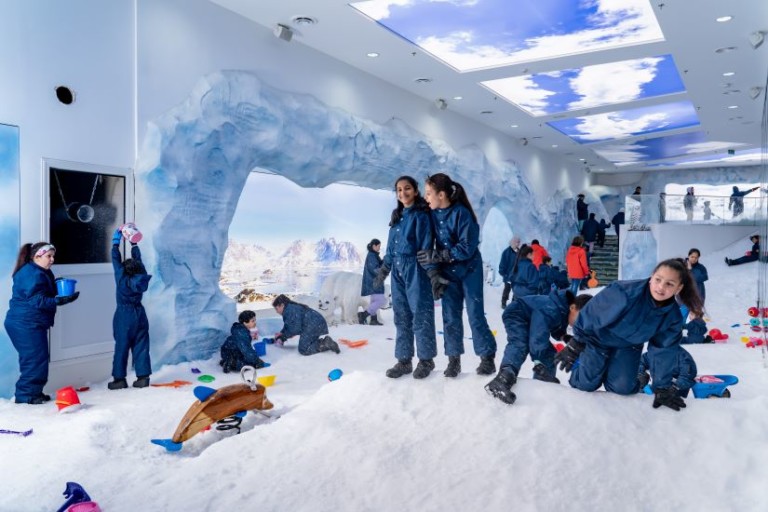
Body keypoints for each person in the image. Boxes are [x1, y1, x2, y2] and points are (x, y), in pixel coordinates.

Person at [555, 258, 704, 411]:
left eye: (669, 284)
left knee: (622, 389)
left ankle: (624, 375)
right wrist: (577, 342)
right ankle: (590, 368)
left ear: (678, 288)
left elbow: (663, 351)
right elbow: (592, 314)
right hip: (597, 340)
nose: (661, 287)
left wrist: (662, 387)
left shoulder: (672, 317)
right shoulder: (624, 292)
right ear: (652, 276)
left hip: (628, 347)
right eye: (658, 279)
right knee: (585, 384)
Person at [418, 173, 497, 377]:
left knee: (474, 313)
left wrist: (440, 255)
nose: (426, 198)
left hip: (470, 270)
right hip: (448, 272)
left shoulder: (462, 214)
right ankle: (454, 360)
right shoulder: (432, 214)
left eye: (429, 193)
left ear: (441, 195)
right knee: (450, 316)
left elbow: (467, 247)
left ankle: (487, 357)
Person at [376, 176, 439, 379]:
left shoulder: (421, 216)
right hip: (397, 271)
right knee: (401, 316)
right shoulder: (396, 218)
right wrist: (383, 271)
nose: (403, 193)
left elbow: (425, 247)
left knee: (421, 314)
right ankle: (404, 361)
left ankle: (426, 360)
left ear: (415, 190)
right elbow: (391, 250)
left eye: (407, 188)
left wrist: (432, 273)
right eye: (399, 190)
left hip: (416, 269)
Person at [4, 242, 79, 404]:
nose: (52, 259)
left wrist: (57, 287)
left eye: (53, 256)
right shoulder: (31, 274)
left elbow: (41, 292)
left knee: (38, 358)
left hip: (30, 322)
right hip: (24, 323)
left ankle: (34, 392)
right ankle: (26, 397)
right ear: (37, 256)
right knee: (34, 359)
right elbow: (36, 300)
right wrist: (58, 301)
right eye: (49, 256)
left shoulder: (40, 271)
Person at [485, 291, 593, 404]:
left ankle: (544, 381)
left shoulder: (562, 311)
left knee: (550, 353)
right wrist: (537, 361)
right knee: (520, 343)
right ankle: (503, 379)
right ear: (572, 307)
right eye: (580, 319)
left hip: (530, 320)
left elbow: (555, 329)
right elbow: (538, 335)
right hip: (517, 313)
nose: (580, 324)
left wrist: (564, 337)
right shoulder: (552, 308)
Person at [108, 229, 152, 390]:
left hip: (124, 315)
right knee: (141, 344)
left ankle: (119, 379)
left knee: (122, 346)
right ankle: (143, 377)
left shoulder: (122, 279)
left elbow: (115, 260)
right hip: (140, 314)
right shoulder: (142, 277)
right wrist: (134, 243)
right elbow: (138, 260)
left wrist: (115, 243)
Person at [272, 294, 340, 355]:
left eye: (276, 308)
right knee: (306, 342)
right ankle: (322, 342)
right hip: (314, 323)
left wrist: (283, 336)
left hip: (313, 325)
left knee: (304, 349)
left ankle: (325, 343)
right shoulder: (289, 309)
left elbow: (295, 329)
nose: (276, 311)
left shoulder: (289, 311)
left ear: (282, 305)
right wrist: (281, 333)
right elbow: (288, 325)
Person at [359, 238, 385, 326]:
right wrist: (384, 269)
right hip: (374, 282)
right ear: (374, 246)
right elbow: (374, 269)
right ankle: (363, 315)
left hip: (373, 282)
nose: (379, 248)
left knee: (374, 301)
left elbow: (377, 266)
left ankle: (373, 320)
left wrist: (383, 261)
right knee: (381, 301)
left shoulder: (373, 255)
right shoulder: (372, 255)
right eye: (378, 246)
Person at [498, 237, 522, 309]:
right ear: (512, 242)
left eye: (519, 242)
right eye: (517, 242)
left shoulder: (519, 252)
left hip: (516, 276)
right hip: (508, 275)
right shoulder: (506, 252)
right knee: (507, 290)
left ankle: (513, 304)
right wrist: (504, 275)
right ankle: (503, 303)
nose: (518, 243)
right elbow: (502, 264)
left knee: (516, 291)